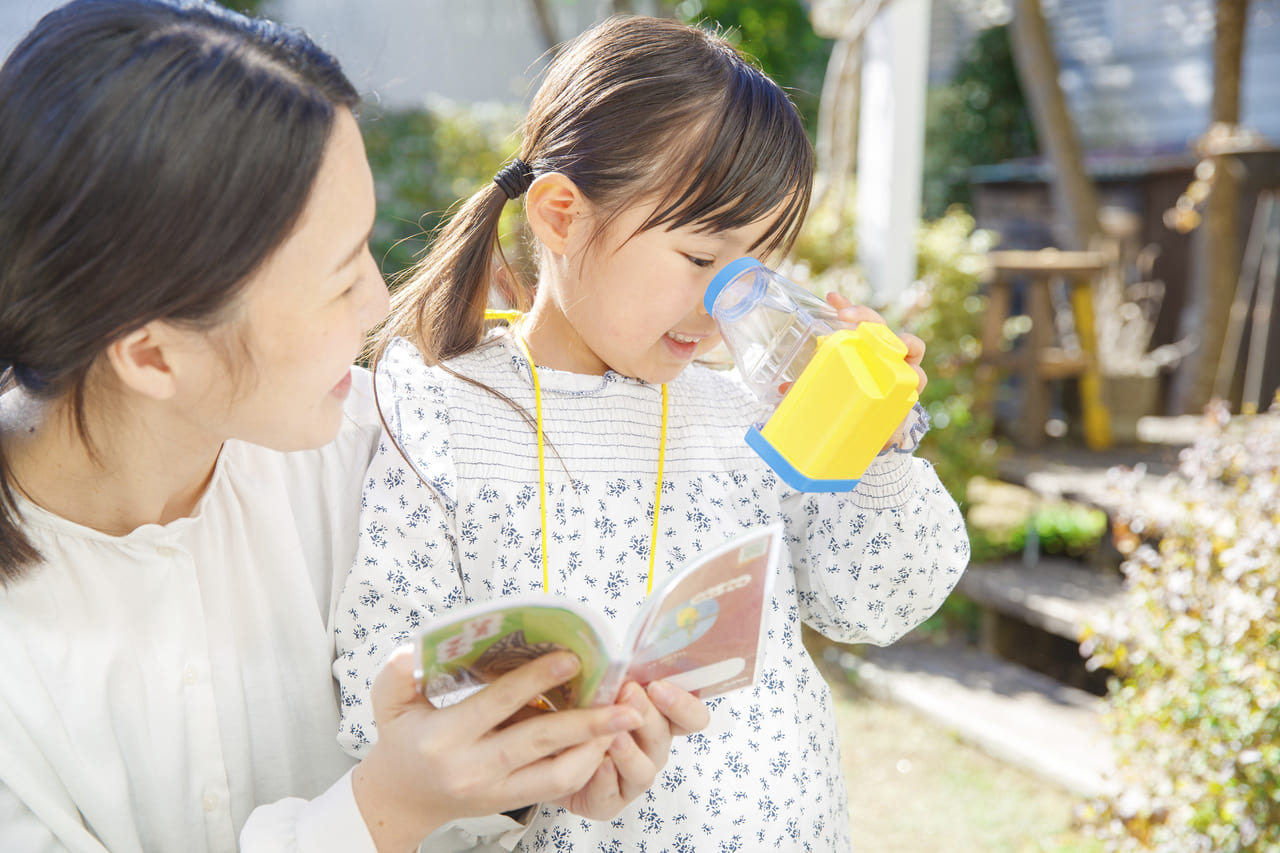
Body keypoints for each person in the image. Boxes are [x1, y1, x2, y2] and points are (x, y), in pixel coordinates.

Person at [0, 3, 708, 852]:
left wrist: (529, 777)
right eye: (338, 280)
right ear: (152, 355)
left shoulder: (401, 450)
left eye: (370, 248)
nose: (378, 305)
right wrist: (383, 810)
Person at [335, 15, 970, 853]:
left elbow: (877, 600)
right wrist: (544, 749)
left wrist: (870, 441)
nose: (727, 304)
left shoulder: (747, 405)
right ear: (561, 215)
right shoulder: (446, 409)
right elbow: (380, 691)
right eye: (702, 258)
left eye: (758, 267)